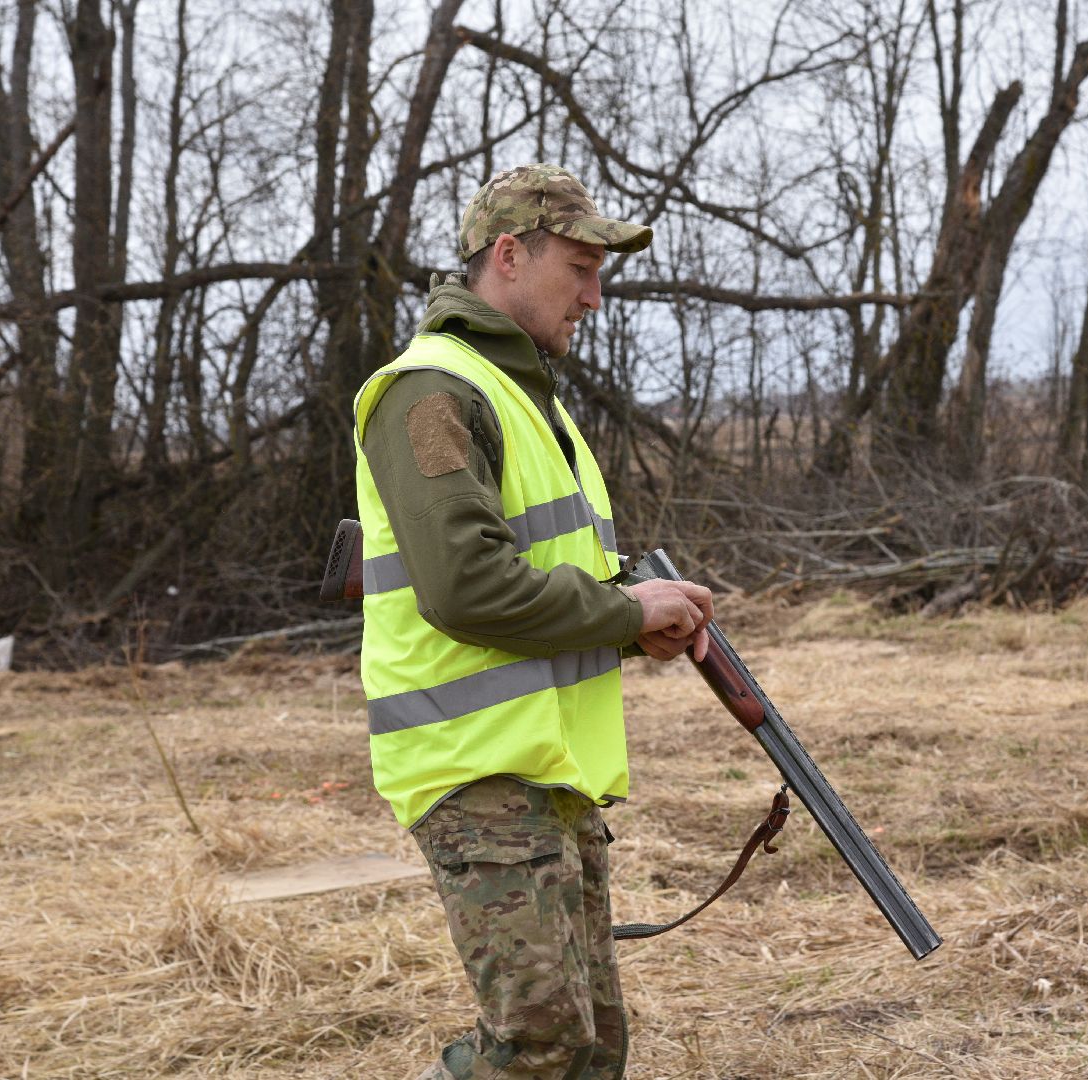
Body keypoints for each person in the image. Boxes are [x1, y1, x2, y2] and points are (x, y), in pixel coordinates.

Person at [353, 163, 713, 1079]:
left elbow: (548, 579)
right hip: (477, 773)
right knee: (541, 1048)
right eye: (580, 270)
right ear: (509, 256)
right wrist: (624, 609)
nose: (594, 298)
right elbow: (468, 588)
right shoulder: (430, 392)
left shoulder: (524, 397)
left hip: (550, 777)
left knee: (590, 1051)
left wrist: (634, 623)